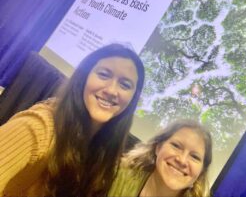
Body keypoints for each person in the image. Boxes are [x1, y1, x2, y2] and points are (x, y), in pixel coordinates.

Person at [0, 43, 145, 196]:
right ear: (84, 78)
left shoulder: (104, 152)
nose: (111, 90)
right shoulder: (38, 128)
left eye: (125, 85)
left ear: (132, 98)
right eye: (104, 74)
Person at [108, 119, 212, 197]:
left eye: (194, 157)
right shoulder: (114, 176)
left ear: (201, 171)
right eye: (176, 146)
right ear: (158, 148)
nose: (182, 160)